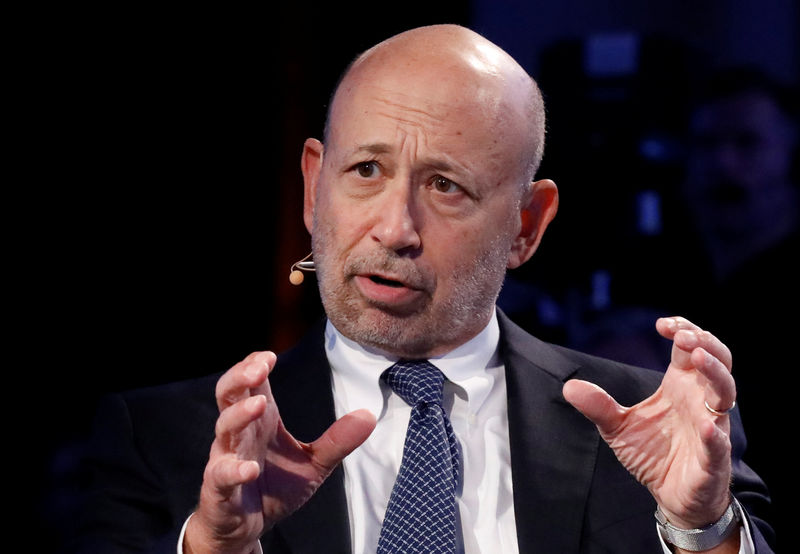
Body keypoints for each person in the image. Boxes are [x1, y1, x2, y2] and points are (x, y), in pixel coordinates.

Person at [71, 25, 774, 553]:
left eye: (445, 186)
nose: (394, 228)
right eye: (367, 171)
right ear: (315, 187)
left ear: (527, 225)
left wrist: (701, 531)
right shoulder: (163, 440)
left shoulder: (652, 427)